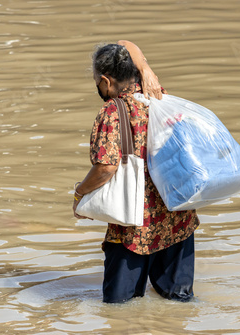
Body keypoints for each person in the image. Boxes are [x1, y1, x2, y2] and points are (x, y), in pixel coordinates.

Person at [72, 40, 200, 303]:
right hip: (176, 218)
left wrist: (80, 193)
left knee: (120, 310)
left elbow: (106, 167)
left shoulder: (112, 113)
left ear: (106, 81)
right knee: (179, 303)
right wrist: (147, 70)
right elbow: (125, 44)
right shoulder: (158, 95)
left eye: (97, 81)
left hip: (133, 227)